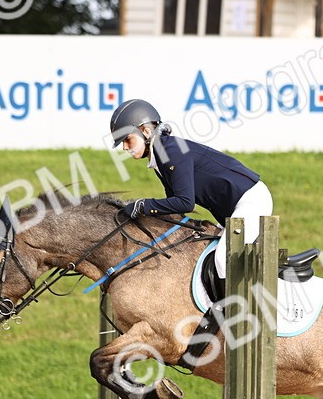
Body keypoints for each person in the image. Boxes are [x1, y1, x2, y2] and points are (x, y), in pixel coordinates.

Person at [110, 99, 272, 280]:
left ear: (146, 131)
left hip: (250, 200)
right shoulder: (161, 155)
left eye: (127, 140)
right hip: (232, 210)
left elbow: (184, 202)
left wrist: (142, 205)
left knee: (222, 260)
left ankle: (236, 308)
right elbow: (174, 207)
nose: (125, 147)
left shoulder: (171, 152)